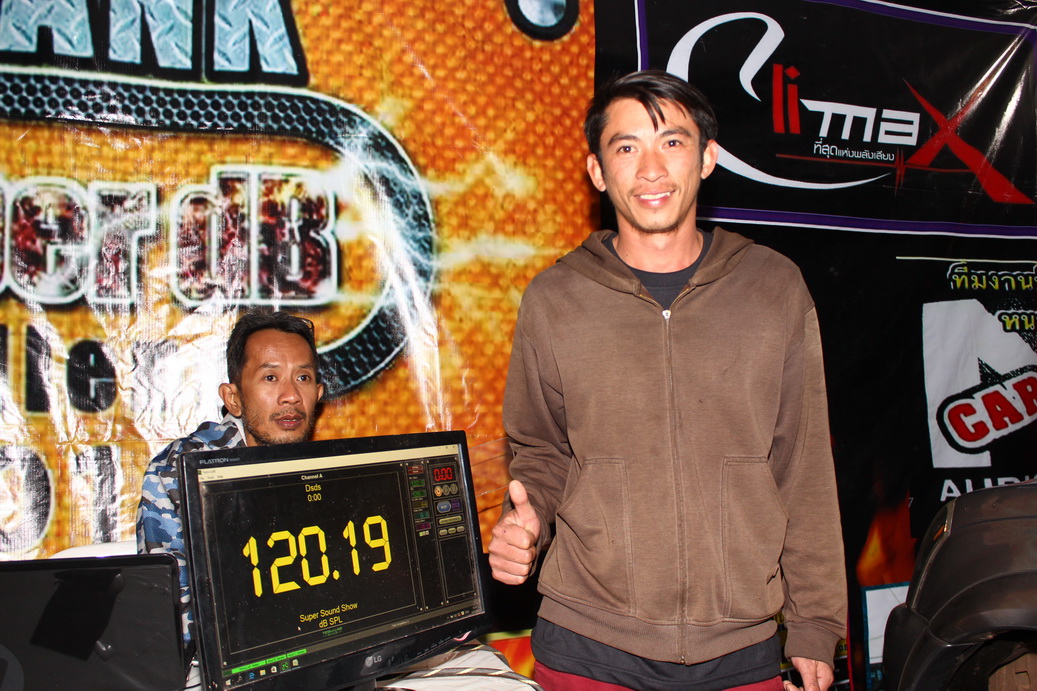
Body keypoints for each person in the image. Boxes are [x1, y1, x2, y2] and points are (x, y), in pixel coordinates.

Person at [488, 70, 847, 691]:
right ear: (598, 171)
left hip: (740, 645)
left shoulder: (773, 287)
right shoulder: (554, 299)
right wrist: (528, 523)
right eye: (626, 147)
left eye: (672, 142)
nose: (651, 169)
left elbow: (804, 464)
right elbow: (541, 451)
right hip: (586, 644)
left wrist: (815, 620)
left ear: (707, 158)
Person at [136, 309, 325, 649]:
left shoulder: (330, 468)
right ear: (233, 398)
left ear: (319, 393)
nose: (291, 396)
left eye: (303, 377)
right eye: (271, 377)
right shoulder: (182, 470)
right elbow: (172, 618)